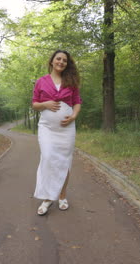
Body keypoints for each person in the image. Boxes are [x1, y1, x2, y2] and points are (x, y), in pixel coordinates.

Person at [31, 50, 82, 216]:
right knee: (47, 157)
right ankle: (47, 197)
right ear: (52, 61)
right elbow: (34, 104)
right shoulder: (41, 81)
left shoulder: (71, 82)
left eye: (65, 60)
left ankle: (62, 195)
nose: (61, 62)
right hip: (47, 127)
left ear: (67, 64)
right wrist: (45, 103)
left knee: (64, 161)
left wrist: (74, 116)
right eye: (58, 59)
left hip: (67, 129)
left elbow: (77, 103)